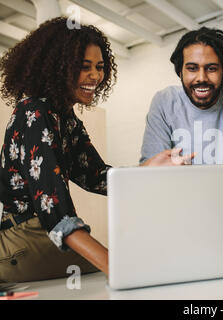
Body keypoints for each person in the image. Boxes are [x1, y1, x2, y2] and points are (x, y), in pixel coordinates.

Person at [0, 17, 193, 282]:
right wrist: (118, 267)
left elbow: (97, 177)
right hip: (22, 241)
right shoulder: (35, 111)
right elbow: (55, 211)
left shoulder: (64, 117)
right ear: (58, 67)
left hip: (44, 238)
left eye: (100, 67)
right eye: (84, 67)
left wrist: (148, 170)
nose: (95, 76)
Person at [140, 27, 223, 165]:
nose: (201, 78)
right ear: (180, 72)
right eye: (192, 68)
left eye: (211, 68)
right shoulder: (164, 102)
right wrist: (162, 170)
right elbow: (149, 168)